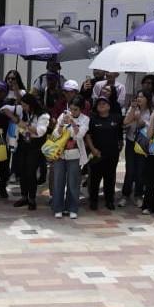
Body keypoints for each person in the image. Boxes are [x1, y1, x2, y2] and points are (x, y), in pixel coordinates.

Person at [48, 83, 94, 219]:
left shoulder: (85, 119)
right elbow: (55, 135)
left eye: (75, 110)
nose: (72, 112)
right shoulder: (63, 116)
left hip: (75, 154)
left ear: (80, 109)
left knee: (73, 182)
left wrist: (73, 123)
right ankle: (58, 207)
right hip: (60, 154)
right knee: (58, 182)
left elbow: (79, 136)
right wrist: (61, 124)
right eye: (71, 109)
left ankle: (72, 207)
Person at [120, 93, 151, 208]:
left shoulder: (150, 111)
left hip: (142, 142)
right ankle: (125, 195)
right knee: (130, 170)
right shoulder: (132, 108)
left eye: (142, 97)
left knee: (140, 170)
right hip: (131, 141)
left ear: (147, 99)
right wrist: (132, 109)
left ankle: (138, 195)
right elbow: (125, 122)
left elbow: (146, 125)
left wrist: (139, 120)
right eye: (138, 96)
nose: (139, 99)